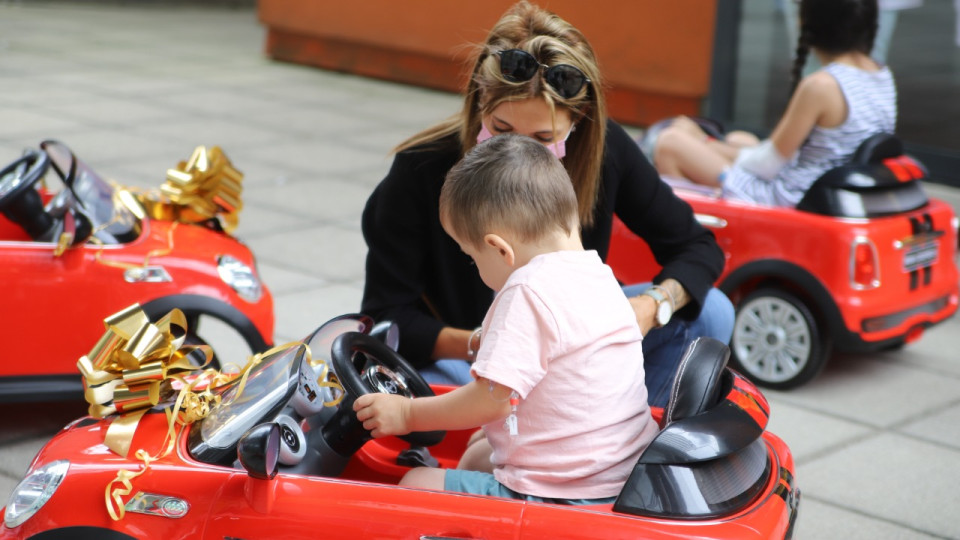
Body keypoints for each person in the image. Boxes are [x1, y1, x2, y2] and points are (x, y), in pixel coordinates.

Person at [360, 0, 733, 408]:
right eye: (501, 129)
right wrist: (494, 344)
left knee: (711, 311)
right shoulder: (421, 168)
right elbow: (388, 317)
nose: (516, 153)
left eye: (542, 139)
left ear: (579, 118)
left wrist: (651, 307)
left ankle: (626, 430)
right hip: (472, 360)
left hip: (574, 350)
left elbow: (697, 247)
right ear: (480, 96)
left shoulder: (605, 151)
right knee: (422, 398)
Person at [354, 133, 659, 502]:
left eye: (471, 257)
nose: (474, 265)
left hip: (563, 494)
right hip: (619, 474)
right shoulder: (599, 274)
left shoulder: (526, 292)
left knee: (415, 484)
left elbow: (491, 400)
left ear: (499, 249)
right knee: (477, 454)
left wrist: (406, 414)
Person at [652, 0, 896, 208]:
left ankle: (695, 230)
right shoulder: (881, 75)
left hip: (788, 198)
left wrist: (705, 143)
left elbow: (767, 164)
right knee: (740, 139)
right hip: (821, 187)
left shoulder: (822, 85)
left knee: (670, 142)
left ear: (807, 23)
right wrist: (714, 146)